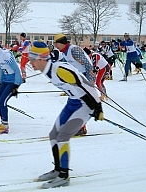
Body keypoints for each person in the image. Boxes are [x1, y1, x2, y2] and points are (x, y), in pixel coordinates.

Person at [28, 40, 103, 189]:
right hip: (72, 103)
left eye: (32, 59)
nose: (30, 63)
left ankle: (64, 175)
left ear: (42, 58)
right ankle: (57, 169)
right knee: (53, 135)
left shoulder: (59, 70)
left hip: (85, 104)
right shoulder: (47, 70)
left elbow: (87, 87)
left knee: (63, 136)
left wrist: (97, 108)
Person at [53, 33, 95, 135]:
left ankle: (80, 126)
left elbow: (88, 65)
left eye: (56, 44)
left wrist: (90, 82)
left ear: (61, 43)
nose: (55, 46)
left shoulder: (73, 50)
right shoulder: (64, 52)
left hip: (85, 79)